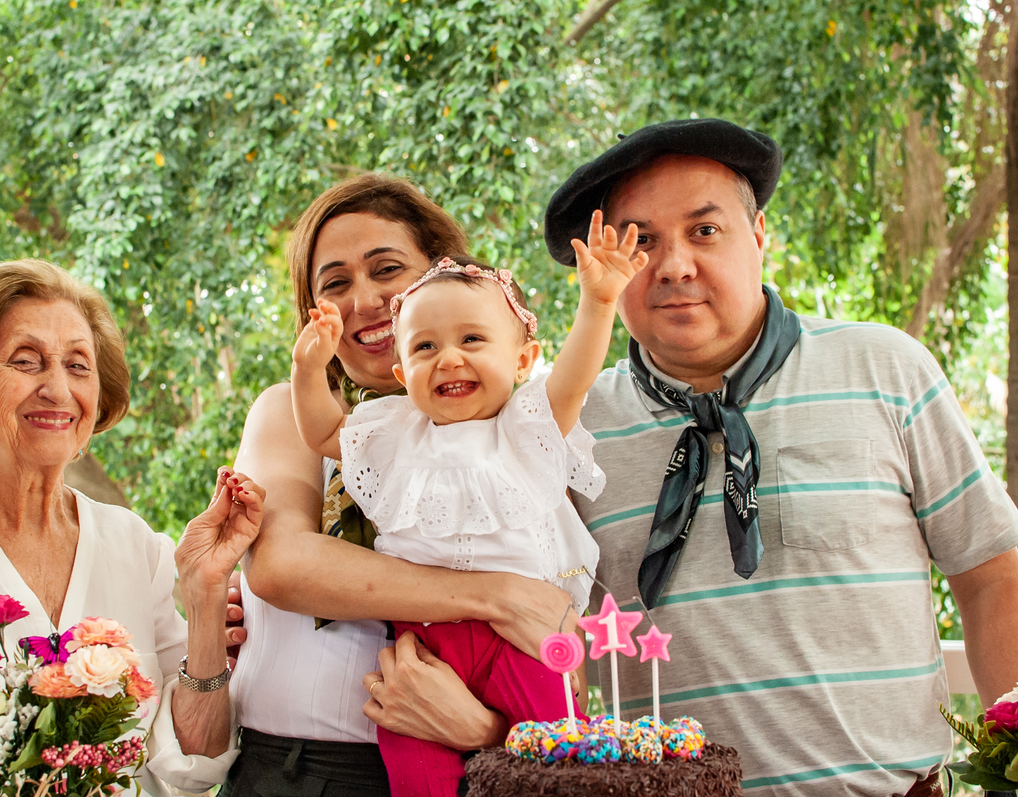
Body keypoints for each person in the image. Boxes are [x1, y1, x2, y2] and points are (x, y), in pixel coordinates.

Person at [540, 118, 1018, 796]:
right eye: (640, 241)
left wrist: (1012, 760)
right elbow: (531, 619)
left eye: (705, 230)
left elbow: (993, 570)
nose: (673, 264)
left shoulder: (884, 368)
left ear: (760, 234)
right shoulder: (565, 426)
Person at [0, 259, 260, 796]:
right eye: (26, 361)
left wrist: (203, 602)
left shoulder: (135, 547)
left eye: (78, 366)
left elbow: (194, 765)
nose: (58, 390)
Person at [225, 174, 578, 797]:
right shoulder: (292, 412)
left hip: (452, 762)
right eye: (334, 283)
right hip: (287, 774)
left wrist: (488, 729)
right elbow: (284, 567)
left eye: (386, 269)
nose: (363, 299)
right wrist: (496, 595)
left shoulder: (516, 439)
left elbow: (556, 631)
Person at [289, 223, 642, 794]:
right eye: (425, 347)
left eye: (472, 340)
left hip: (522, 644)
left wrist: (599, 303)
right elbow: (324, 431)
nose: (448, 358)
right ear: (403, 374)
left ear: (523, 358)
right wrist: (308, 369)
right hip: (422, 654)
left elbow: (576, 377)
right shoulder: (395, 433)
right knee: (420, 784)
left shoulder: (527, 428)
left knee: (558, 771)